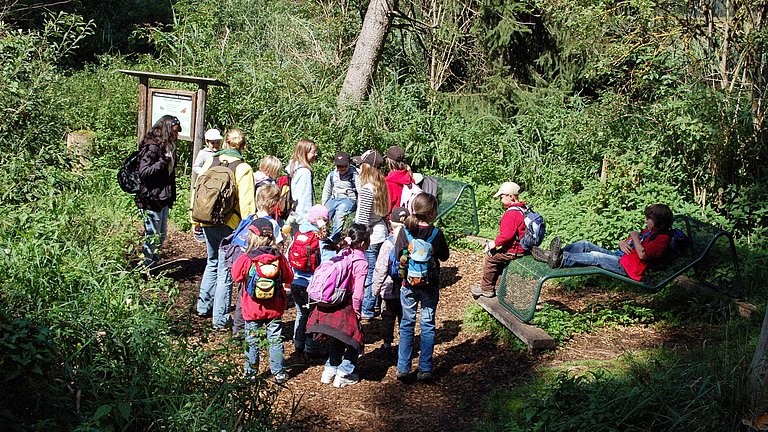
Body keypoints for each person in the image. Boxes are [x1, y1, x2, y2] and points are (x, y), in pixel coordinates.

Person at [193, 128, 256, 329]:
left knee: (212, 262)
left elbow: (197, 190)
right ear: (242, 146)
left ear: (226, 143)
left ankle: (203, 307)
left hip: (206, 220)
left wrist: (194, 218)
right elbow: (247, 205)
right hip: (229, 224)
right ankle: (219, 319)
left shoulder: (211, 161)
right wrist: (249, 230)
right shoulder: (243, 168)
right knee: (226, 271)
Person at [532, 204, 674, 281]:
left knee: (595, 256)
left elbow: (643, 255)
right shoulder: (649, 232)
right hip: (620, 257)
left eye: (648, 219)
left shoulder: (662, 239)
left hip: (627, 268)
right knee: (585, 244)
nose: (645, 221)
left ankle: (560, 260)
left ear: (658, 221)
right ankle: (552, 254)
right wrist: (622, 243)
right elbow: (628, 243)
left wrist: (635, 236)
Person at [230, 218, 293, 384]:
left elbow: (236, 275)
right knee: (275, 339)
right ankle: (279, 373)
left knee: (252, 341)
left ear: (251, 237)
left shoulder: (247, 258)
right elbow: (289, 277)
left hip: (252, 309)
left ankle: (250, 374)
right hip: (275, 308)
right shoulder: (279, 258)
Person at [306, 224, 370, 387]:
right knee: (355, 338)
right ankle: (345, 373)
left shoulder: (343, 252)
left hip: (333, 300)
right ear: (363, 243)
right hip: (347, 303)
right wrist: (357, 312)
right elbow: (358, 293)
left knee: (338, 336)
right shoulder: (360, 261)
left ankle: (330, 369)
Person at [394, 193, 449, 382]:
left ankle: (403, 367)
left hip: (408, 284)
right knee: (427, 325)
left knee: (407, 324)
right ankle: (425, 368)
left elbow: (396, 256)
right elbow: (444, 257)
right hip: (430, 285)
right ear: (432, 212)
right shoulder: (436, 233)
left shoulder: (405, 232)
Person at [231, 184, 285, 338]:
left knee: (244, 296)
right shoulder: (272, 224)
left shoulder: (250, 218)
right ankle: (266, 327)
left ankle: (240, 329)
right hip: (264, 265)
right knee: (267, 293)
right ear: (274, 204)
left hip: (245, 262)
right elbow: (278, 245)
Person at [135, 115, 180, 269]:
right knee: (152, 235)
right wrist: (163, 162)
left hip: (163, 197)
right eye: (175, 131)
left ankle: (153, 265)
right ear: (167, 130)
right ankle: (147, 269)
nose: (177, 135)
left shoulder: (167, 147)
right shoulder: (152, 147)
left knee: (160, 236)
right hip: (151, 198)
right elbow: (144, 171)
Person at [470, 181, 527, 298]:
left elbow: (506, 236)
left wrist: (494, 244)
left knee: (491, 259)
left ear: (511, 196)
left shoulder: (511, 214)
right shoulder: (523, 209)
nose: (500, 200)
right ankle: (499, 288)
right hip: (523, 248)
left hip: (514, 250)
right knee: (499, 261)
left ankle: (486, 289)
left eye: (502, 196)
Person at [352, 149, 389, 320]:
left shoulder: (368, 189)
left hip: (370, 237)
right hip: (381, 232)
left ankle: (367, 307)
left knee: (369, 272)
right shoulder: (381, 184)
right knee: (380, 270)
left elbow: (362, 219)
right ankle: (374, 304)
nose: (359, 166)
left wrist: (356, 239)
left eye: (362, 164)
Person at [290, 204, 330, 357]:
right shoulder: (318, 237)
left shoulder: (299, 233)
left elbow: (289, 255)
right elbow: (326, 261)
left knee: (301, 313)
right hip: (310, 284)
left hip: (295, 282)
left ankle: (298, 344)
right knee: (314, 315)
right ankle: (311, 348)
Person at [371, 206, 409, 348]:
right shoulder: (411, 241)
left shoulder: (388, 243)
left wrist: (375, 290)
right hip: (407, 286)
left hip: (389, 289)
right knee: (404, 317)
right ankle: (405, 344)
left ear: (391, 223)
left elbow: (381, 269)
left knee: (388, 317)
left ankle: (387, 345)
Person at [321, 151, 360, 244]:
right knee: (324, 214)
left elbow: (360, 191)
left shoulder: (354, 175)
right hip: (334, 198)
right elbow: (327, 190)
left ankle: (335, 238)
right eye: (339, 166)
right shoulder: (332, 175)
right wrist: (324, 204)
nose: (341, 169)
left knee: (340, 212)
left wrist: (359, 206)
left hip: (348, 199)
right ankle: (321, 235)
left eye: (344, 166)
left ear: (349, 164)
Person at [286, 139, 318, 226]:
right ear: (304, 152)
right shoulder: (304, 173)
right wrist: (306, 221)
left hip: (293, 213)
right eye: (313, 152)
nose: (316, 154)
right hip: (301, 217)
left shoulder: (293, 168)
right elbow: (305, 198)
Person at [383, 146, 414, 212]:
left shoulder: (388, 182)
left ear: (389, 163)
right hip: (410, 217)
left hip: (394, 218)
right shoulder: (409, 178)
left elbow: (387, 207)